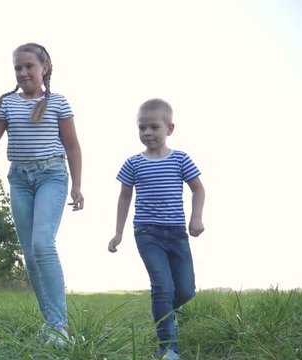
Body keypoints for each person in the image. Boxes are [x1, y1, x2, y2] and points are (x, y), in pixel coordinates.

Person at [0, 42, 84, 346]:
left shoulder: (59, 103)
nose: (23, 72)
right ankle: (51, 324)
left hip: (52, 175)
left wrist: (76, 185)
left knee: (42, 244)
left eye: (29, 66)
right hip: (20, 180)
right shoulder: (8, 104)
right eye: (18, 68)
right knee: (31, 255)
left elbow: (73, 146)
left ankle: (61, 327)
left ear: (44, 69)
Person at [108, 99, 205, 360]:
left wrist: (196, 218)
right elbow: (124, 198)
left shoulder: (181, 159)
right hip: (146, 233)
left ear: (169, 129)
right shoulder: (133, 164)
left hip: (176, 233)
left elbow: (198, 188)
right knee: (162, 286)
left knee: (186, 290)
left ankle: (165, 314)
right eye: (142, 128)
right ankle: (168, 347)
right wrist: (118, 232)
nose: (147, 133)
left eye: (154, 127)